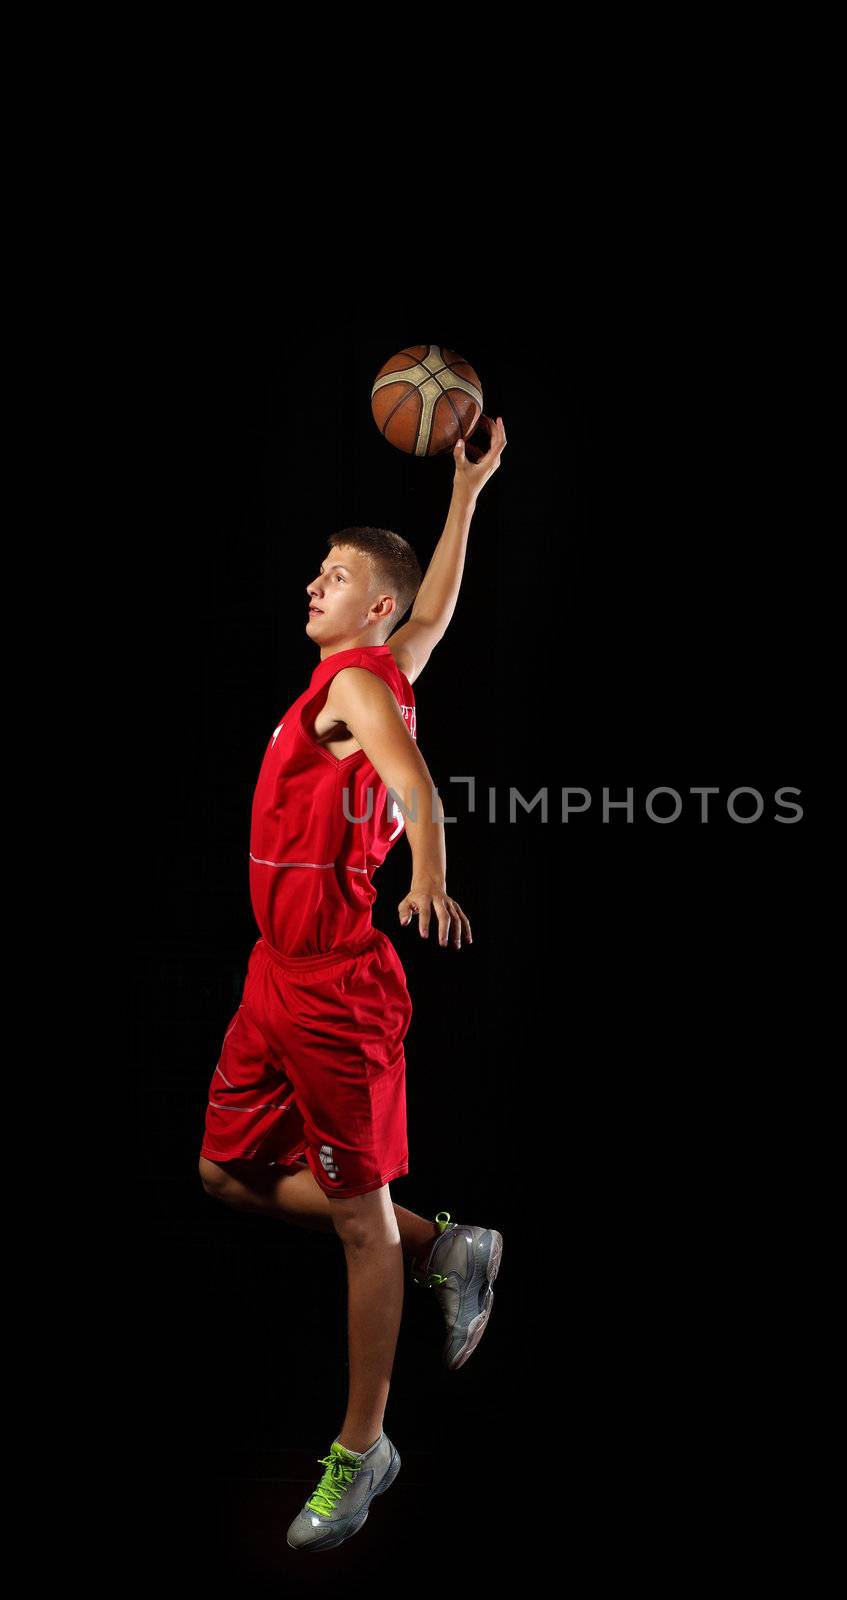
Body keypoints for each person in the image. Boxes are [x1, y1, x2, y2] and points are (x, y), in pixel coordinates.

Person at [197, 416, 508, 1554]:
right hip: (272, 978)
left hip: (337, 994)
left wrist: (427, 874)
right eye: (321, 569)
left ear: (365, 607)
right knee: (224, 1175)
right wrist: (466, 494)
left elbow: (416, 785)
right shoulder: (377, 661)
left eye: (336, 577)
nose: (314, 584)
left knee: (357, 1227)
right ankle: (448, 1247)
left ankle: (363, 1446)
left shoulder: (356, 697)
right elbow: (434, 615)